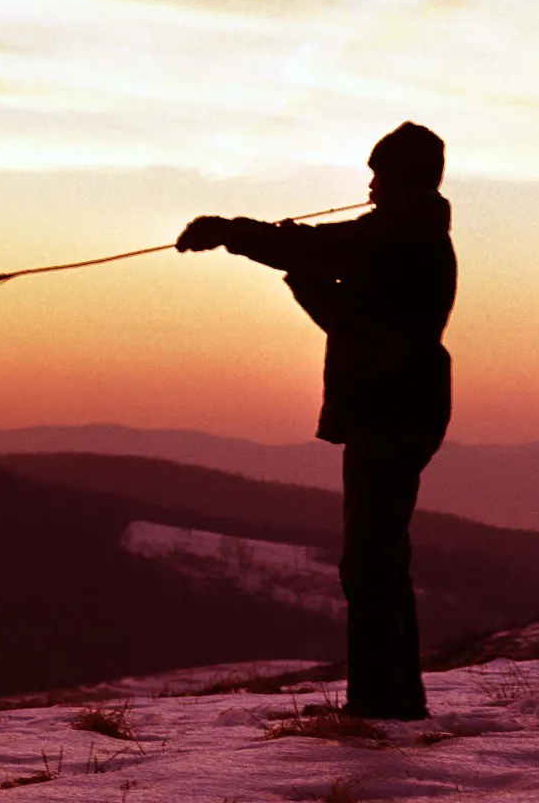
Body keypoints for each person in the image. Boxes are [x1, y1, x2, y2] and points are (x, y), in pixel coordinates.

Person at [176, 122, 456, 721]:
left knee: (370, 560)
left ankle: (383, 705)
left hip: (390, 407)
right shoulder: (410, 234)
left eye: (380, 173)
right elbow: (348, 312)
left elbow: (318, 252)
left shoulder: (399, 231)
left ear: (401, 180)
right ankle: (390, 699)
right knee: (381, 555)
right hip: (403, 405)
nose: (372, 185)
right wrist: (302, 279)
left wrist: (230, 232)